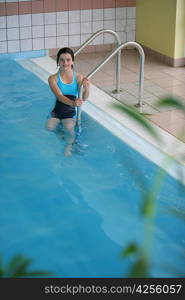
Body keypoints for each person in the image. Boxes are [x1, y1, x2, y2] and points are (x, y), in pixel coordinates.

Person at [46, 47, 90, 156]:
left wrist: (87, 87)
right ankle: (63, 138)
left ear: (72, 61)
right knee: (49, 127)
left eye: (68, 60)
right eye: (62, 60)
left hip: (70, 113)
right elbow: (59, 96)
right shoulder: (53, 79)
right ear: (58, 62)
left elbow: (84, 98)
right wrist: (73, 102)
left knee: (69, 129)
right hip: (57, 110)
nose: (65, 63)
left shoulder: (78, 77)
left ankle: (69, 147)